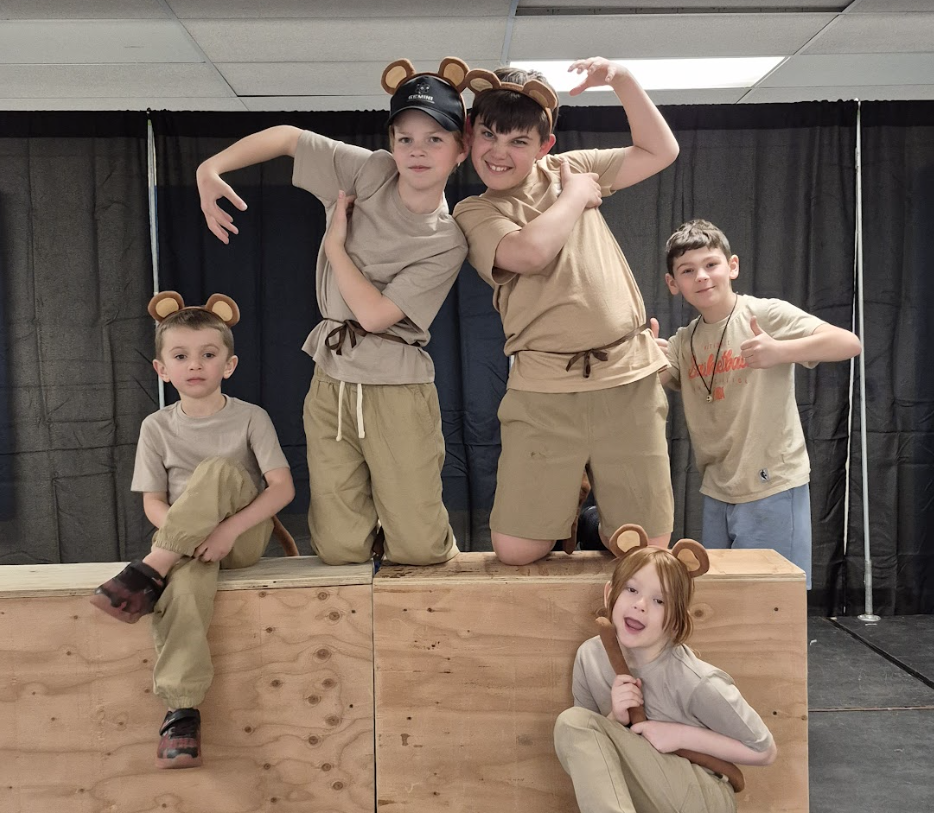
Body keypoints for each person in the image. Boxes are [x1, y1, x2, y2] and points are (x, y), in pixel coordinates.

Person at [195, 59, 471, 567]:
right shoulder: (370, 170)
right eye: (405, 138)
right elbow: (285, 137)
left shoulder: (446, 240)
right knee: (339, 549)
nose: (417, 151)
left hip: (397, 389)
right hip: (331, 379)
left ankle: (412, 552)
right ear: (391, 143)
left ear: (461, 150)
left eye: (435, 139)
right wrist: (208, 167)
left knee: (419, 548)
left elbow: (374, 316)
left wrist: (336, 246)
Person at [452, 58, 679, 566]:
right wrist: (576, 196)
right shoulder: (475, 211)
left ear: (544, 146)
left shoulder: (569, 166)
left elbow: (661, 150)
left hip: (627, 379)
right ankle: (578, 515)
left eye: (519, 141)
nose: (500, 152)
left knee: (646, 550)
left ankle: (598, 520)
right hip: (544, 389)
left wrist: (621, 79)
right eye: (489, 135)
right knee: (515, 551)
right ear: (469, 138)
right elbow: (528, 254)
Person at [535, 524, 777, 813]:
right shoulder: (592, 657)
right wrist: (614, 714)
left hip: (699, 807)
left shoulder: (694, 679)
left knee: (571, 721)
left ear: (676, 618)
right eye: (631, 590)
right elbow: (594, 760)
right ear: (610, 595)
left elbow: (764, 749)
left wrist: (677, 733)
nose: (640, 605)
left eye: (659, 600)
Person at [91, 292, 295, 769]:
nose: (195, 364)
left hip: (240, 537)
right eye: (181, 356)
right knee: (184, 586)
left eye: (208, 354)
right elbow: (154, 503)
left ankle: (146, 573)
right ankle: (181, 711)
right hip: (184, 545)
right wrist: (184, 542)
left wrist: (226, 531)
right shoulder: (156, 426)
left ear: (229, 363)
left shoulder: (250, 417)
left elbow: (281, 489)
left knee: (219, 471)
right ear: (162, 369)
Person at [658, 219, 862, 586]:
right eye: (688, 271)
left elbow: (849, 343)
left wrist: (780, 350)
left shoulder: (764, 314)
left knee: (772, 598)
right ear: (674, 284)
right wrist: (643, 355)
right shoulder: (683, 341)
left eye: (711, 265)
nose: (702, 276)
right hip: (718, 488)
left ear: (732, 266)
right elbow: (658, 375)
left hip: (771, 484)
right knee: (726, 597)